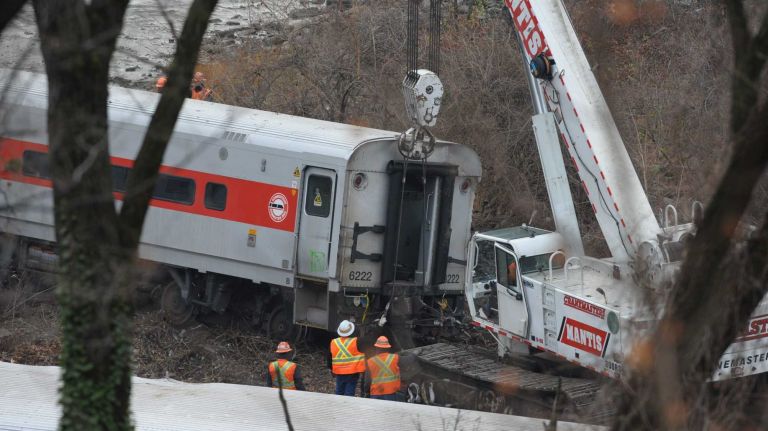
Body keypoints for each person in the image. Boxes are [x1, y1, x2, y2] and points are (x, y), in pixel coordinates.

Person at [329, 319, 365, 396]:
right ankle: (347, 406)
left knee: (339, 391)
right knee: (349, 393)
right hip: (353, 372)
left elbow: (329, 357)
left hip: (339, 372)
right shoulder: (357, 341)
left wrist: (331, 369)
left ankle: (338, 406)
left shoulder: (334, 342)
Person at [363, 335, 401, 401]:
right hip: (391, 392)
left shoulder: (370, 361)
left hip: (376, 393)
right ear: (388, 348)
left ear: (376, 348)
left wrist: (366, 391)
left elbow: (367, 381)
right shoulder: (395, 358)